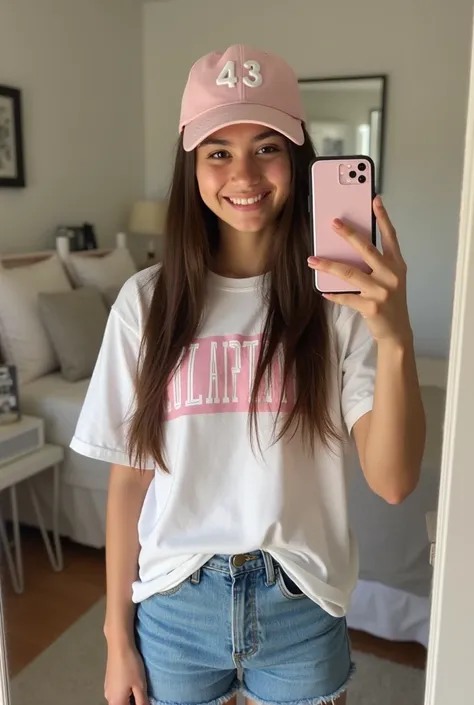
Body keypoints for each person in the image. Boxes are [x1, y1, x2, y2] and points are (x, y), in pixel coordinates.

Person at [71, 44, 426, 705]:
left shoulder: (337, 307)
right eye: (219, 152)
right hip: (176, 604)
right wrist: (118, 638)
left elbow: (395, 479)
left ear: (297, 157)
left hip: (302, 603)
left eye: (266, 146)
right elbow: (128, 482)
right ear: (193, 165)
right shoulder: (146, 303)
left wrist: (395, 335)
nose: (244, 173)